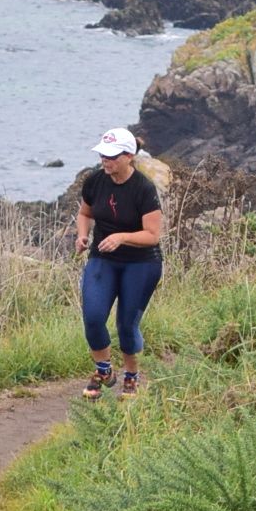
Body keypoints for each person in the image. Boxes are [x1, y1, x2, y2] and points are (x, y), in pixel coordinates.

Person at [74, 127, 165, 399]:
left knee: (126, 325)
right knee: (93, 318)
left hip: (141, 263)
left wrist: (121, 237)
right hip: (103, 259)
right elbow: (84, 213)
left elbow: (152, 235)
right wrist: (82, 235)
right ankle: (104, 370)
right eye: (102, 154)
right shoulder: (95, 181)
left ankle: (132, 376)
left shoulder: (143, 189)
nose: (105, 160)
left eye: (112, 155)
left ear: (128, 156)